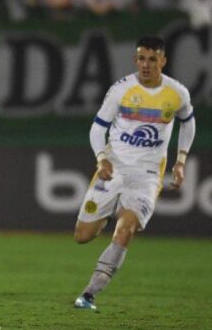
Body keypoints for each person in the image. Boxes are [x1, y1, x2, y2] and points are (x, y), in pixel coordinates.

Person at [72, 36, 195, 311]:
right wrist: (101, 159)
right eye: (141, 58)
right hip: (113, 168)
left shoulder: (177, 93)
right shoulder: (121, 90)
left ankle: (89, 294)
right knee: (82, 235)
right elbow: (97, 128)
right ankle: (109, 212)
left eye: (152, 59)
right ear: (135, 60)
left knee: (126, 228)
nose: (146, 64)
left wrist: (181, 160)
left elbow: (188, 122)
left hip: (148, 175)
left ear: (163, 60)